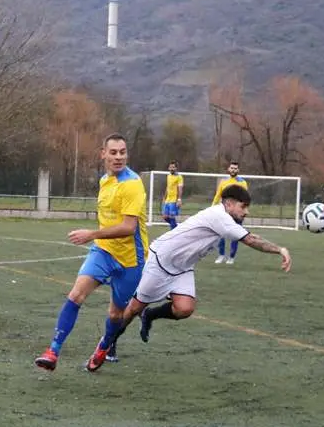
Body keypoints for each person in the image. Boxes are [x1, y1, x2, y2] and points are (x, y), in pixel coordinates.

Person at [86, 184, 291, 372]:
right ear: (228, 203)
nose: (246, 212)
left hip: (182, 267)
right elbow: (250, 239)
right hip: (161, 261)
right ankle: (108, 343)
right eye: (243, 206)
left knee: (185, 308)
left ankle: (150, 316)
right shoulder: (219, 216)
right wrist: (279, 249)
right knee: (132, 309)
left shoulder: (224, 218)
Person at [34, 133, 148, 371]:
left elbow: (129, 228)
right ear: (103, 154)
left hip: (130, 260)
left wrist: (91, 234)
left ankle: (105, 345)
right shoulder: (105, 180)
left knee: (116, 314)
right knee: (76, 295)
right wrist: (97, 240)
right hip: (103, 252)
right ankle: (52, 351)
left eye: (123, 152)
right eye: (113, 152)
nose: (118, 157)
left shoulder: (132, 184)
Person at [212, 161, 248, 264]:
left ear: (238, 170)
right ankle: (221, 255)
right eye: (232, 168)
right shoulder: (223, 181)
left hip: (236, 213)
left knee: (235, 234)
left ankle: (231, 257)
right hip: (224, 212)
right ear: (228, 169)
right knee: (221, 233)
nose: (233, 170)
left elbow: (244, 198)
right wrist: (213, 207)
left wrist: (243, 210)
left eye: (235, 168)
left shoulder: (242, 182)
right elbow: (218, 195)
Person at [162, 160, 184, 230]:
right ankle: (176, 228)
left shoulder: (179, 177)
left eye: (173, 167)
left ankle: (173, 232)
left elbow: (180, 188)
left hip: (174, 200)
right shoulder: (168, 176)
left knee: (172, 217)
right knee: (165, 217)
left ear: (176, 168)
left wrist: (179, 199)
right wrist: (164, 197)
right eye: (170, 167)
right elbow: (167, 187)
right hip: (168, 200)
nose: (171, 168)